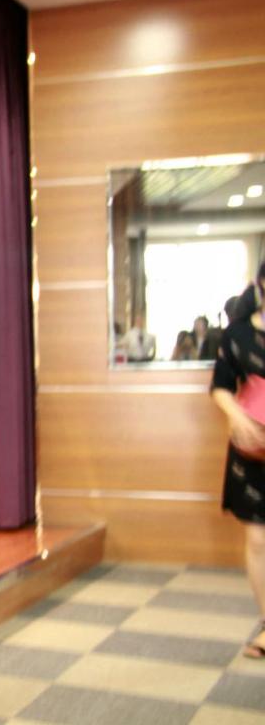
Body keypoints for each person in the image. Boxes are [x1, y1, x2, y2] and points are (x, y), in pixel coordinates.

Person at [210, 265, 265, 659]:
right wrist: (237, 416)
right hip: (253, 447)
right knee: (259, 539)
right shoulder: (238, 334)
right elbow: (220, 386)